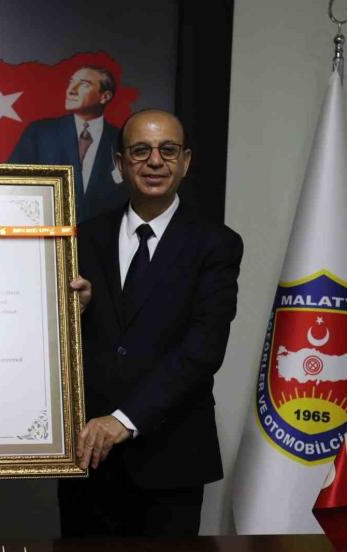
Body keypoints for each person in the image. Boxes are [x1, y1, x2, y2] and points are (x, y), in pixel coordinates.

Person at [61, 109, 243, 537]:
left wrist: (124, 420)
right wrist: (73, 313)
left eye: (168, 150)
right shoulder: (82, 238)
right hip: (89, 458)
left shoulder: (216, 244)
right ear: (120, 164)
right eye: (140, 150)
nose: (155, 161)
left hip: (171, 462)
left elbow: (203, 350)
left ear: (186, 162)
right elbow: (59, 339)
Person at [9, 65, 128, 223]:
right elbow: (12, 185)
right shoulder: (40, 132)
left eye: (84, 84)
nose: (71, 90)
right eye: (71, 82)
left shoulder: (122, 140)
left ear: (104, 97)